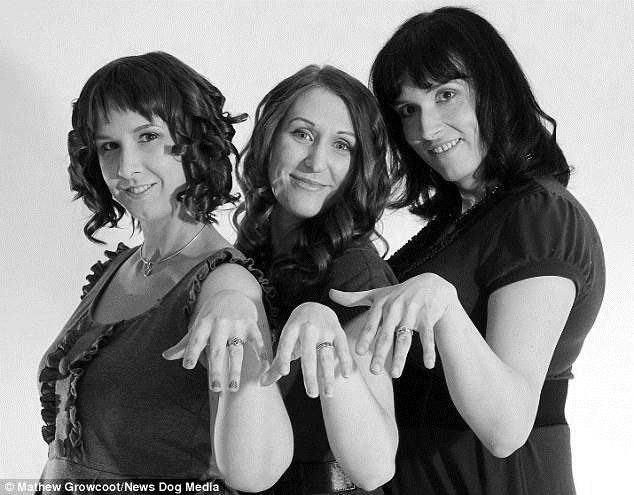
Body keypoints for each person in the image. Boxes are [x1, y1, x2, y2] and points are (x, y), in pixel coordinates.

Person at [330, 7, 605, 495]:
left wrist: (444, 304)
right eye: (408, 110)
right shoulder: (452, 227)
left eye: (445, 95)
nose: (427, 129)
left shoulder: (538, 215)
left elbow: (505, 427)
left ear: (494, 89)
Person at [37, 51, 292, 494]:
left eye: (148, 136)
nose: (126, 168)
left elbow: (254, 471)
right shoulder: (119, 267)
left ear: (194, 140)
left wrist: (236, 303)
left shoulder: (225, 282)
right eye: (109, 146)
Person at [181, 64, 399, 494]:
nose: (316, 162)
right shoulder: (247, 257)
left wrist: (323, 329)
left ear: (359, 167)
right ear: (269, 139)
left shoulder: (357, 272)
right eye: (302, 134)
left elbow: (374, 467)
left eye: (341, 146)